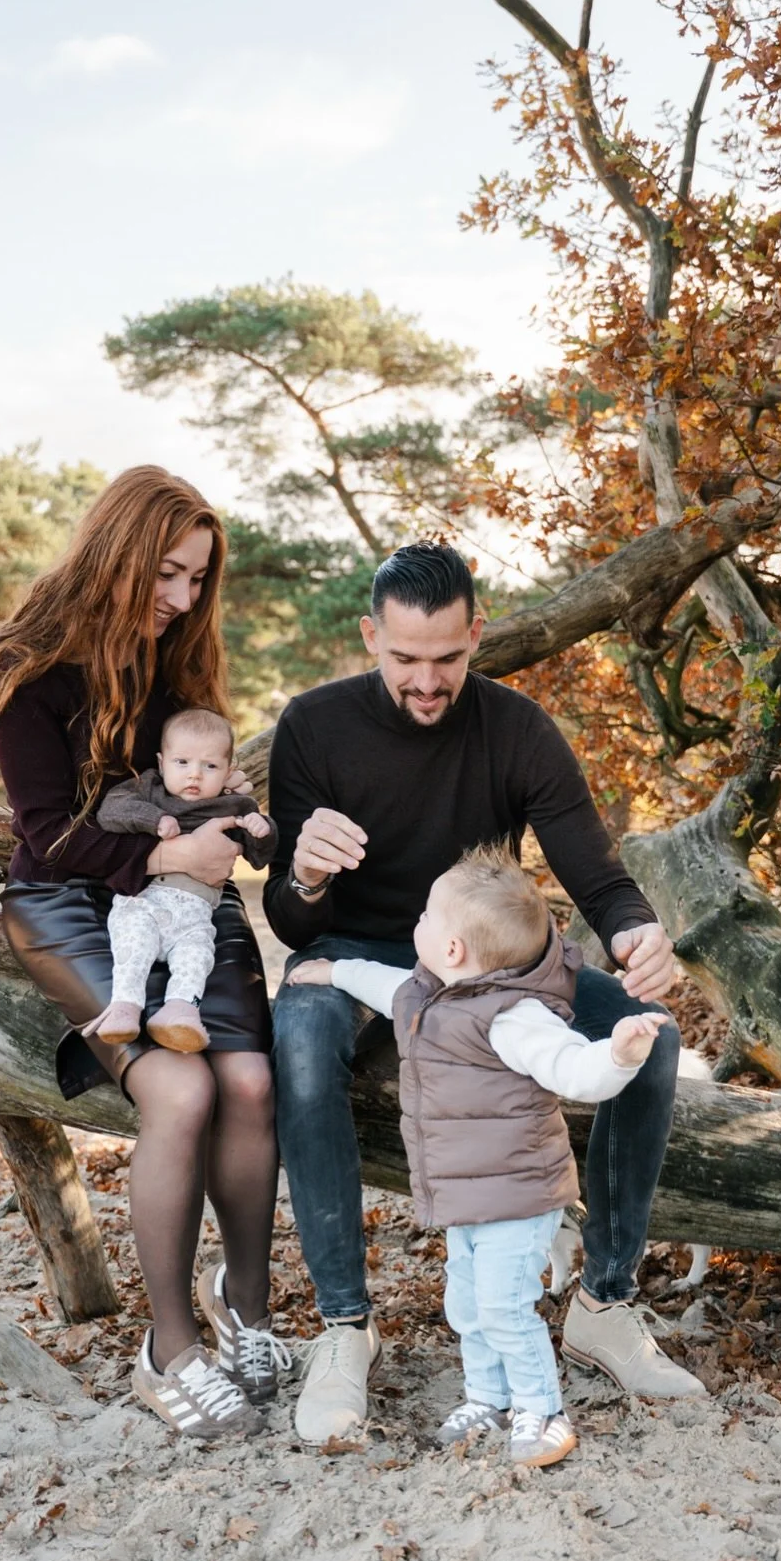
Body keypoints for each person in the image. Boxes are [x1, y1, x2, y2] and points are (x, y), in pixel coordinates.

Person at [266, 541, 706, 1444]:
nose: (426, 683)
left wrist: (635, 932)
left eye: (447, 659)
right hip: (360, 949)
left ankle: (604, 1301)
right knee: (301, 1040)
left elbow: (596, 872)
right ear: (369, 638)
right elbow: (292, 919)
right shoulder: (313, 727)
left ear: (478, 633)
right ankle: (346, 1328)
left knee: (652, 1039)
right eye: (403, 661)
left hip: (502, 965)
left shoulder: (517, 730)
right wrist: (306, 878)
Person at [0, 465, 290, 1439]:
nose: (184, 598)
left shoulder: (177, 662)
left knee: (251, 1086)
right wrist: (164, 850)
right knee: (181, 1092)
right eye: (168, 573)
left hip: (186, 897)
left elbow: (207, 799)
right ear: (117, 548)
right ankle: (171, 1348)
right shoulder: (27, 665)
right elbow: (47, 833)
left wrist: (230, 839)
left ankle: (248, 1308)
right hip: (67, 901)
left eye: (198, 579)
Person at [287, 847, 666, 1467]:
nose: (419, 922)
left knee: (505, 1308)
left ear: (456, 949)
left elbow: (573, 1070)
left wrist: (618, 1055)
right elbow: (381, 986)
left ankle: (542, 1411)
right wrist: (333, 972)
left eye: (429, 916)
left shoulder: (514, 1017)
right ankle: (487, 1399)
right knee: (465, 1305)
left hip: (517, 1197)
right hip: (467, 1198)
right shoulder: (427, 995)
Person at [92, 707, 277, 1053]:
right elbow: (111, 809)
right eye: (182, 763)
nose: (195, 775)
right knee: (134, 946)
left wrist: (261, 830)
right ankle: (125, 1008)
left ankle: (180, 1011)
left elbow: (260, 856)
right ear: (162, 763)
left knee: (198, 955)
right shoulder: (150, 789)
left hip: (194, 915)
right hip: (143, 901)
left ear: (228, 770)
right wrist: (154, 820)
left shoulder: (235, 805)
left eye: (210, 766)